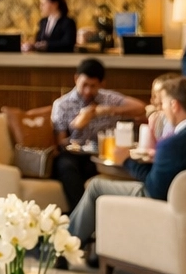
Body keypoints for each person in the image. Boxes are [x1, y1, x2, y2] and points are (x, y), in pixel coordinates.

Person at [66, 77, 186, 260]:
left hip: (168, 204)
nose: (163, 110)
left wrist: (127, 160)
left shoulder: (173, 144)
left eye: (164, 105)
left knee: (97, 185)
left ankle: (61, 248)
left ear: (175, 105)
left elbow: (154, 189)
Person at [50, 58, 146, 210]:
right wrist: (78, 125)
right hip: (72, 155)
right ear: (76, 79)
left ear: (102, 84)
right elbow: (61, 142)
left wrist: (109, 110)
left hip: (100, 154)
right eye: (84, 85)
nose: (88, 91)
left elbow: (141, 108)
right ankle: (82, 216)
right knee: (66, 166)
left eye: (93, 86)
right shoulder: (62, 104)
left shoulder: (108, 99)